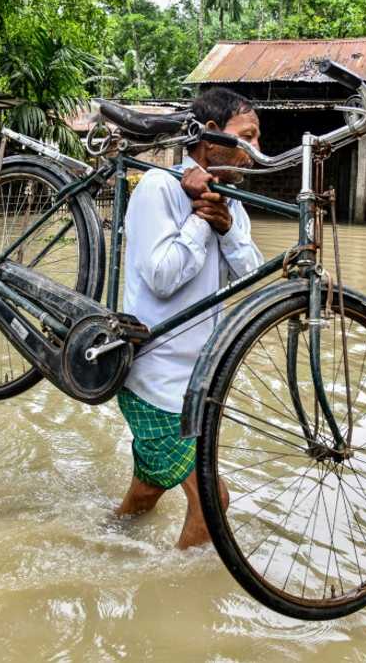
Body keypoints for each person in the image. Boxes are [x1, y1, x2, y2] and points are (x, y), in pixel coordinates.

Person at [114, 87, 265, 549]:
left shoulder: (230, 201)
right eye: (248, 138)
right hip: (155, 380)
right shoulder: (157, 187)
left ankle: (104, 540)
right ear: (212, 134)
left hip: (197, 381)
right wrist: (199, 221)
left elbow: (252, 273)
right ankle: (171, 600)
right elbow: (160, 277)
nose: (255, 153)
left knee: (147, 490)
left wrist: (221, 222)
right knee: (212, 498)